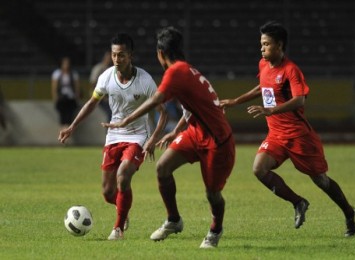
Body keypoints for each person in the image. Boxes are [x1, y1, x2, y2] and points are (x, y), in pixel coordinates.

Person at [102, 26, 235, 248]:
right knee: (162, 168)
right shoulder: (186, 70)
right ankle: (174, 219)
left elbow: (156, 101)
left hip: (218, 141)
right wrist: (175, 131)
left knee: (213, 194)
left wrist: (125, 120)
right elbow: (192, 108)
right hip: (195, 133)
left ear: (161, 54)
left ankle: (215, 230)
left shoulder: (175, 72)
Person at [220, 21, 355, 237]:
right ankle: (298, 202)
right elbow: (262, 86)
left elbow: (299, 100)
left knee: (321, 180)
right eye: (261, 44)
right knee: (259, 169)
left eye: (266, 44)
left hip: (298, 136)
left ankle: (349, 213)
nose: (262, 48)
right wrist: (236, 101)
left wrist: (271, 110)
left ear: (280, 45)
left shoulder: (291, 70)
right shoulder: (264, 65)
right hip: (276, 135)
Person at [58, 33, 167, 240]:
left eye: (122, 55)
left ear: (131, 55)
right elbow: (92, 102)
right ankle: (123, 211)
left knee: (123, 175)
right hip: (114, 135)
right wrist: (72, 126)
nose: (117, 60)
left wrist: (152, 139)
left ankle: (117, 229)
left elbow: (163, 112)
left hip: (138, 136)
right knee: (108, 192)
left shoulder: (145, 81)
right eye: (114, 55)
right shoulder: (106, 76)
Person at [51, 57, 80, 130]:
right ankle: (63, 127)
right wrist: (55, 98)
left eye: (67, 64)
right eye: (64, 64)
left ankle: (68, 128)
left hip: (71, 97)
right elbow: (54, 87)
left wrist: (77, 97)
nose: (66, 65)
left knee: (70, 113)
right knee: (62, 112)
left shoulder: (73, 74)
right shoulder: (57, 73)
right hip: (61, 97)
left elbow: (77, 87)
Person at [89, 51, 112, 122]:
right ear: (104, 57)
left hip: (109, 97)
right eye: (108, 57)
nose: (110, 59)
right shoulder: (98, 68)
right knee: (111, 113)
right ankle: (109, 132)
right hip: (99, 97)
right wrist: (103, 97)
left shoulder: (112, 69)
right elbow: (93, 83)